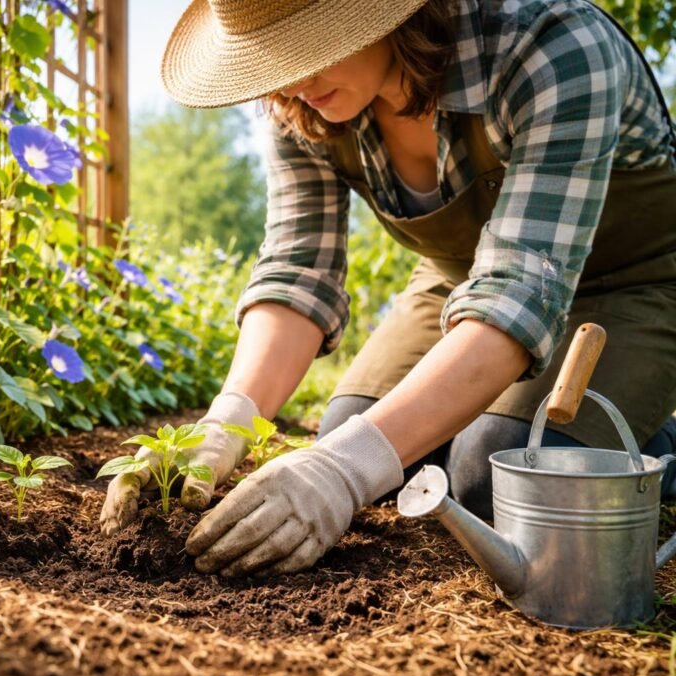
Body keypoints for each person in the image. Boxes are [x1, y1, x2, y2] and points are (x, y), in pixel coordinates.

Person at [99, 0, 676, 577]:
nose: (293, 80)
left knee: (492, 473)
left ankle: (660, 447)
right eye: (273, 58)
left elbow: (520, 293)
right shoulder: (295, 101)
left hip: (635, 285)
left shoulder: (550, 44)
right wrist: (227, 424)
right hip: (463, 282)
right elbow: (299, 269)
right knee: (347, 431)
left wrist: (343, 470)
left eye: (308, 46)